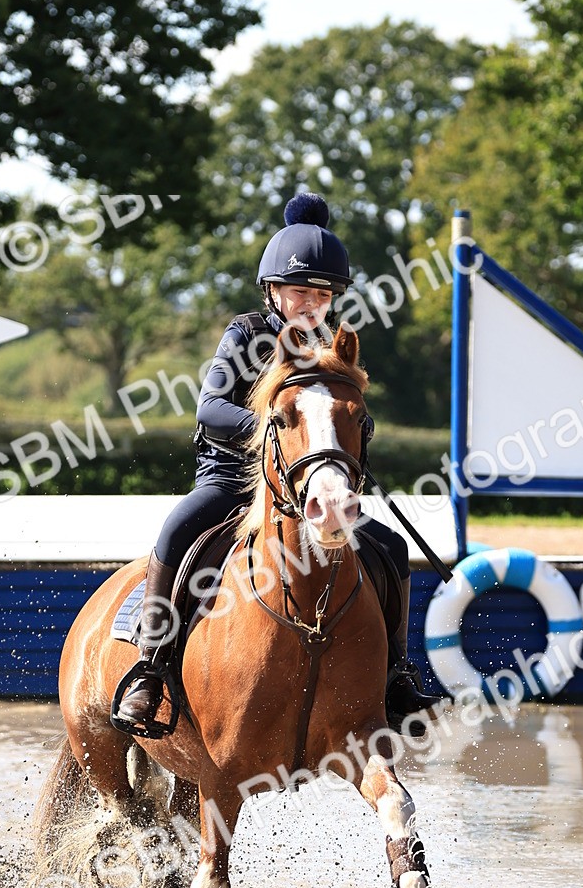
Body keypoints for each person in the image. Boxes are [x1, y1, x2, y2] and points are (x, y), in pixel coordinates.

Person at [114, 193, 436, 735]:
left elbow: (354, 417)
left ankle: (395, 675)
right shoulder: (245, 335)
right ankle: (150, 668)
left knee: (392, 546)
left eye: (320, 293)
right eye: (298, 292)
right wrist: (270, 435)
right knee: (175, 532)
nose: (309, 303)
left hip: (307, 485)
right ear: (273, 292)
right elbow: (209, 409)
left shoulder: (333, 349)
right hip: (233, 479)